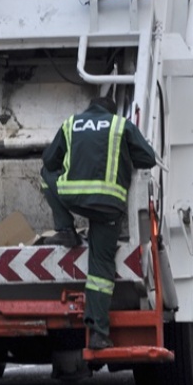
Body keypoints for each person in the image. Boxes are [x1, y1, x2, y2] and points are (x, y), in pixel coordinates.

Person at [41, 97, 156, 351]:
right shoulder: (120, 125)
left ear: (90, 109)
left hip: (75, 199)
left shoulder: (72, 123)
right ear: (110, 111)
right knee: (100, 266)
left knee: (45, 176)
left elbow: (49, 162)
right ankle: (98, 333)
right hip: (108, 206)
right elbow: (148, 158)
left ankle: (65, 229)